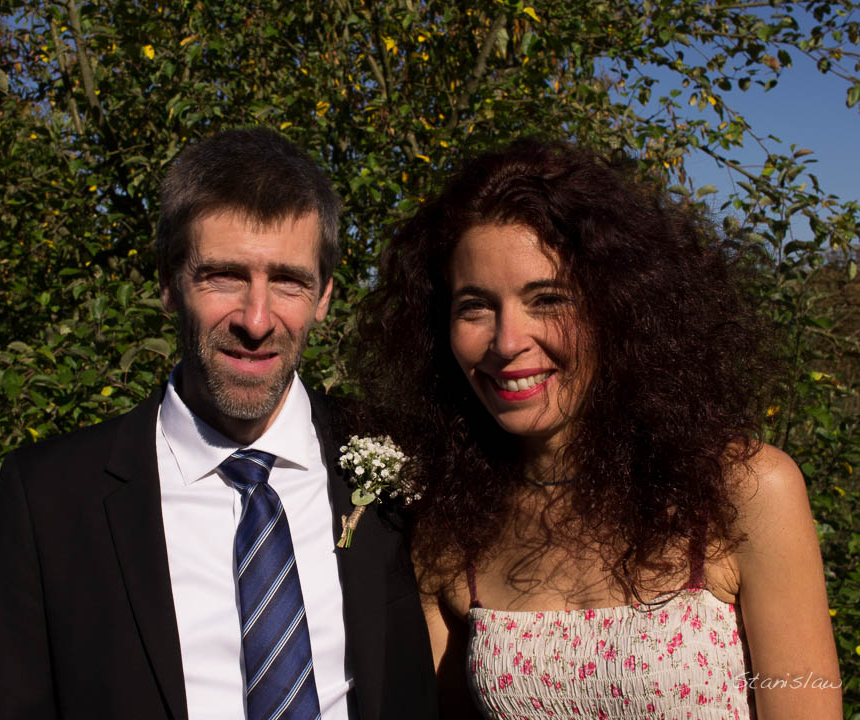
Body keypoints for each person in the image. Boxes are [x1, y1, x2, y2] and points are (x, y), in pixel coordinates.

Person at [351, 139, 842, 719]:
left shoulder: (745, 489)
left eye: (548, 299)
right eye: (475, 307)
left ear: (618, 308)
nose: (508, 342)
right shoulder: (449, 530)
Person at [0, 128, 437, 720]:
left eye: (289, 281)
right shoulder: (50, 498)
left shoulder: (401, 466)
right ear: (170, 284)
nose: (256, 318)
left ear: (324, 295)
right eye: (223, 276)